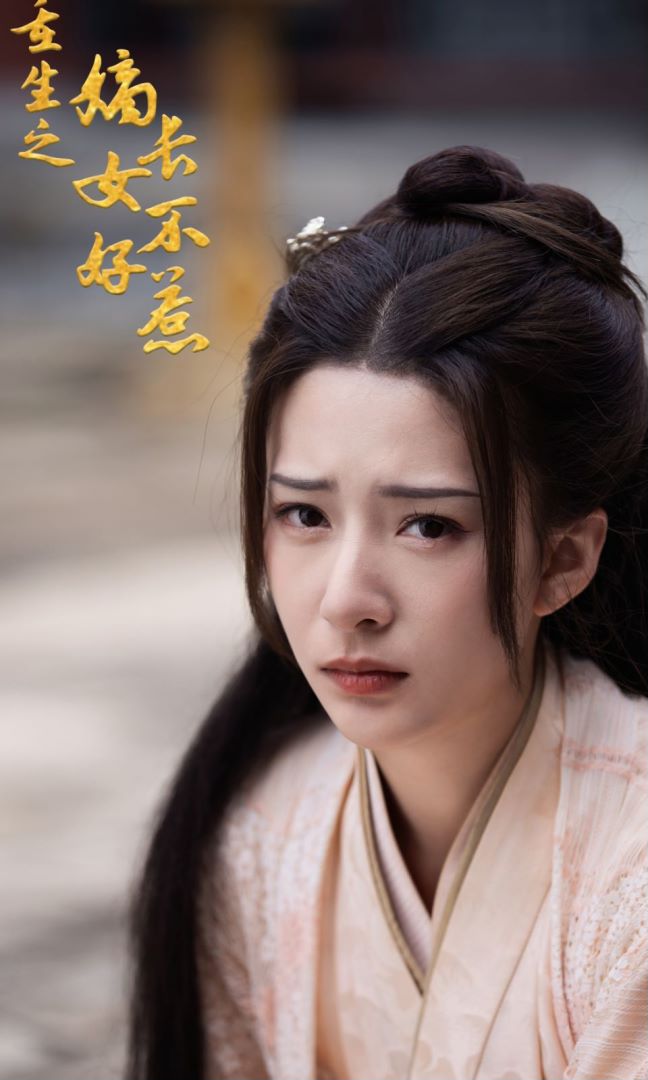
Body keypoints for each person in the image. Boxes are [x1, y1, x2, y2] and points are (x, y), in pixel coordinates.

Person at [126, 146, 648, 1080]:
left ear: (562, 558)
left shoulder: (630, 874)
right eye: (304, 515)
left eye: (427, 525)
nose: (346, 601)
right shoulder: (263, 834)